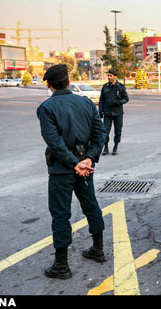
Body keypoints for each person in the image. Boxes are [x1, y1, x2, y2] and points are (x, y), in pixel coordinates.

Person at [37, 64, 108, 279]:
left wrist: (73, 163)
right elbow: (101, 133)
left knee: (60, 214)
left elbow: (55, 142)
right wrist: (88, 158)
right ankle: (98, 249)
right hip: (85, 167)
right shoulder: (86, 102)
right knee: (91, 205)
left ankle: (61, 265)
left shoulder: (46, 108)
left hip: (61, 169)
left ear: (49, 85)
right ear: (69, 82)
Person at [99, 69, 129, 155]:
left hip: (118, 113)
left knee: (118, 131)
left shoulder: (120, 87)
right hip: (107, 113)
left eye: (110, 76)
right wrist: (100, 110)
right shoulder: (105, 87)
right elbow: (101, 100)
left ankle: (115, 146)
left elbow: (126, 98)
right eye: (108, 75)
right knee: (105, 131)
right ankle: (106, 147)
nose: (109, 77)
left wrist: (119, 102)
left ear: (115, 77)